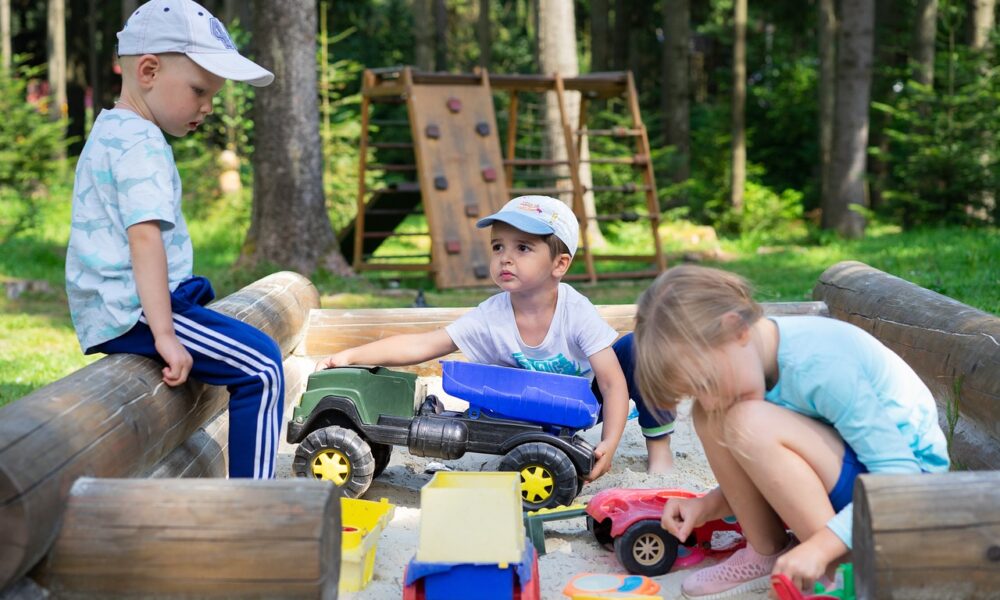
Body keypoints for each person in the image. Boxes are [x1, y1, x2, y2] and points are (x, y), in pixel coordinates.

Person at [632, 265, 949, 598]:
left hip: (906, 496)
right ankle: (766, 551)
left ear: (736, 329)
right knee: (710, 417)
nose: (710, 399)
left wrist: (821, 548)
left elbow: (901, 477)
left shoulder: (818, 365)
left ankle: (834, 571)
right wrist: (707, 507)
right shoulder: (752, 364)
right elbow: (781, 468)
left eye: (709, 382)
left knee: (746, 422)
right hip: (853, 484)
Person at [65, 0, 280, 479]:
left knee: (244, 348)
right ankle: (257, 508)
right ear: (148, 70)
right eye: (199, 90)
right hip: (136, 311)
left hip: (122, 305)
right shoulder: (141, 144)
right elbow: (144, 239)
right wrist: (165, 334)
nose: (207, 106)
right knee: (262, 367)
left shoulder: (113, 131)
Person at [319, 195, 629, 481]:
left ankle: (660, 441)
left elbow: (611, 383)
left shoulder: (576, 313)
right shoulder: (492, 314)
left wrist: (610, 442)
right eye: (498, 247)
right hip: (521, 409)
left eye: (522, 248)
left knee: (633, 351)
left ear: (559, 264)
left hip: (579, 404)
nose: (505, 258)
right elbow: (426, 344)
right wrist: (350, 356)